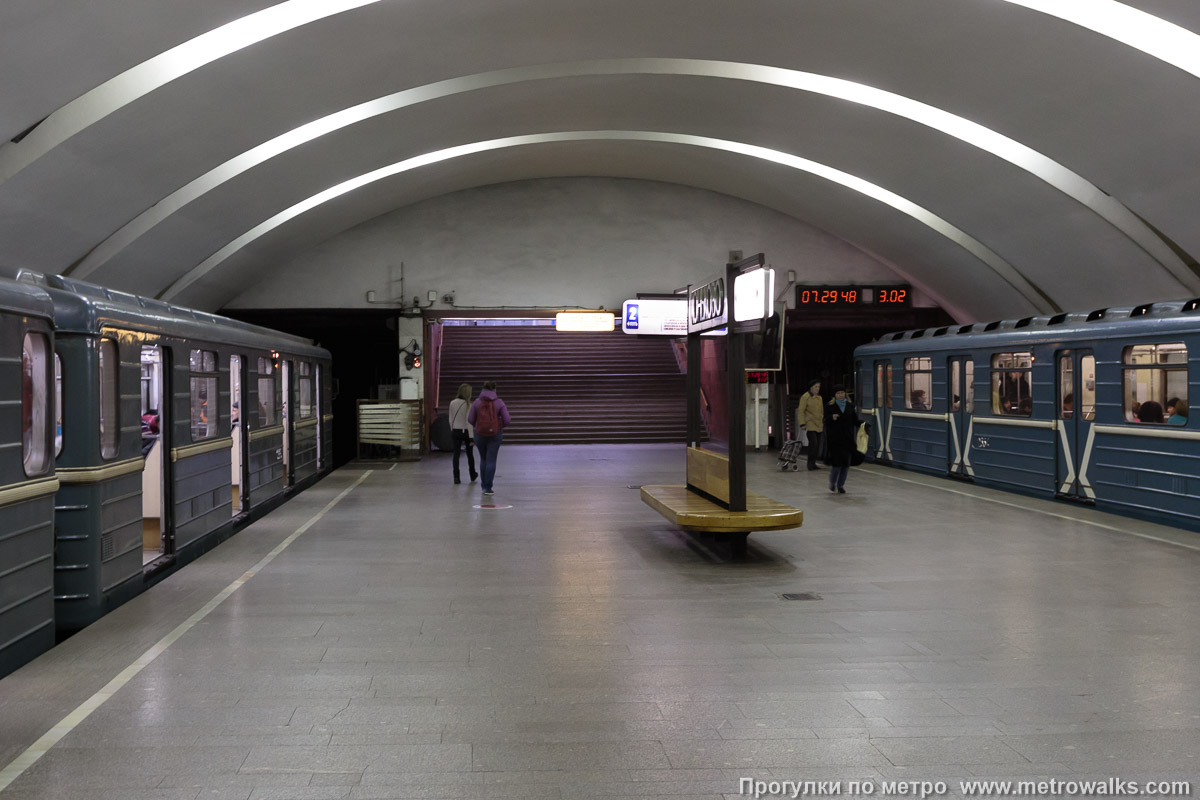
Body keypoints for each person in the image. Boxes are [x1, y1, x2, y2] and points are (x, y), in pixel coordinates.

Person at [467, 380, 512, 497]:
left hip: (479, 434)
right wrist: (498, 426)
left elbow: (470, 419)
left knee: (483, 459)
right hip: (494, 435)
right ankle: (488, 487)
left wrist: (478, 426)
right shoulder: (499, 402)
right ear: (494, 389)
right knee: (491, 460)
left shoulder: (477, 402)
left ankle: (483, 485)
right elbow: (507, 420)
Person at [824, 384, 860, 494]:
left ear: (845, 394)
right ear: (834, 395)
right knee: (837, 463)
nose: (840, 395)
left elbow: (855, 421)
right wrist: (831, 418)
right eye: (838, 393)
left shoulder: (850, 406)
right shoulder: (829, 407)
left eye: (842, 392)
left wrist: (863, 424)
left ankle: (840, 485)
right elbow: (825, 420)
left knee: (846, 464)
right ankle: (832, 482)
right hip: (835, 439)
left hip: (847, 438)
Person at [447, 383, 478, 484]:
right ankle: (472, 474)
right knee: (470, 455)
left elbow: (450, 418)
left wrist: (452, 429)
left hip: (455, 431)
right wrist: (472, 437)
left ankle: (456, 477)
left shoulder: (452, 402)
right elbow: (468, 422)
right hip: (465, 432)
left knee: (456, 455)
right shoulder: (468, 404)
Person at [799, 378, 824, 471]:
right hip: (810, 423)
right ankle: (810, 463)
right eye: (815, 387)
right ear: (811, 388)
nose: (817, 389)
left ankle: (813, 463)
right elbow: (801, 411)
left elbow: (821, 411)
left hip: (818, 424)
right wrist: (802, 423)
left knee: (817, 445)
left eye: (818, 387)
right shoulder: (805, 397)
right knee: (813, 443)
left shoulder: (819, 398)